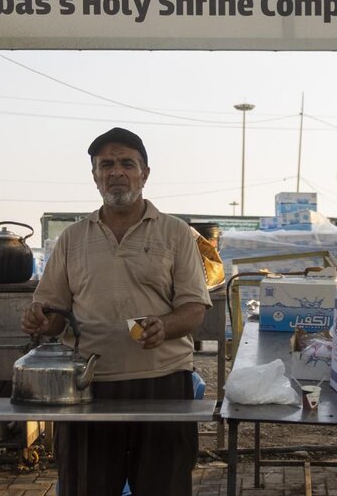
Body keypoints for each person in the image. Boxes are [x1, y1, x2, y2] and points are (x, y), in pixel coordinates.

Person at [22, 127, 211, 496]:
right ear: (95, 176)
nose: (116, 172)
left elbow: (193, 309)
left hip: (163, 382)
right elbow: (54, 314)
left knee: (164, 487)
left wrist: (164, 326)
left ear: (145, 173)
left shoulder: (176, 233)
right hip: (87, 386)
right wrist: (40, 318)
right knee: (86, 486)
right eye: (106, 165)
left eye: (127, 163)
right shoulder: (73, 238)